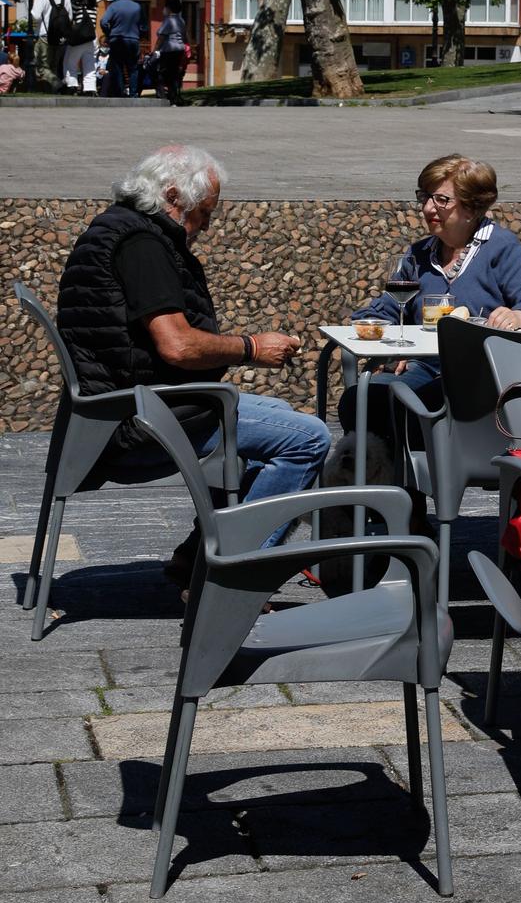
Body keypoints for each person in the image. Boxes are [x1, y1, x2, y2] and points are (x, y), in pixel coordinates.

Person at [57, 144, 330, 584]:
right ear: (172, 196)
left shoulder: (117, 227)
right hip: (138, 422)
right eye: (204, 212)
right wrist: (252, 348)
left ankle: (196, 555)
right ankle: (235, 581)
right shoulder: (142, 245)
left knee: (279, 417)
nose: (204, 225)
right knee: (308, 439)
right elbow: (178, 346)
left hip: (119, 407)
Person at [337, 153, 521, 440]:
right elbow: (386, 309)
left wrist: (516, 315)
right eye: (425, 197)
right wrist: (390, 349)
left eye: (441, 200)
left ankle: (411, 478)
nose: (428, 208)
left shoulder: (501, 247)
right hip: (423, 367)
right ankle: (392, 480)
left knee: (408, 404)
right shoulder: (419, 254)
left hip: (478, 376)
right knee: (359, 401)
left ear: (471, 206)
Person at [100, 0, 144, 97]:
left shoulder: (113, 6)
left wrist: (109, 33)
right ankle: (133, 93)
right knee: (133, 68)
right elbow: (144, 26)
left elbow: (104, 21)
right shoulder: (137, 7)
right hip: (133, 40)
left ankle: (121, 92)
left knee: (118, 67)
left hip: (117, 40)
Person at [30, 0, 72, 91]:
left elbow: (36, 15)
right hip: (60, 37)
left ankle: (58, 84)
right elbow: (70, 17)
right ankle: (52, 90)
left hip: (45, 34)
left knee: (41, 66)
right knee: (54, 65)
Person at [61, 0, 100, 94]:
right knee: (89, 65)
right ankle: (90, 88)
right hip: (91, 38)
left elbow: (70, 17)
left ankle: (71, 85)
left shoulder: (76, 3)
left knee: (69, 62)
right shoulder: (94, 4)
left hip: (79, 38)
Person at [155, 4, 189, 105]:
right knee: (174, 74)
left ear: (169, 8)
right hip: (179, 49)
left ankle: (162, 96)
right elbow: (185, 36)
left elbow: (161, 37)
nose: (164, 9)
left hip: (168, 50)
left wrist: (155, 49)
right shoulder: (181, 20)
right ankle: (173, 96)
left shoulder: (168, 20)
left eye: (165, 7)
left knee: (161, 73)